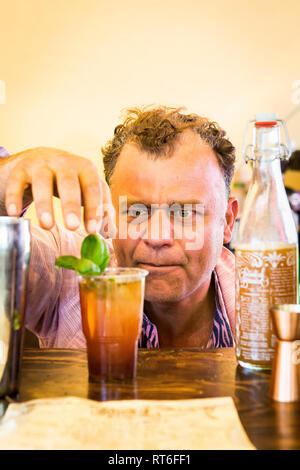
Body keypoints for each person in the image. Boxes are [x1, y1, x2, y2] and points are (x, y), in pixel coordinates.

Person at [0, 106, 238, 348]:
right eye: (136, 211)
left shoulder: (267, 300)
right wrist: (3, 182)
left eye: (185, 213)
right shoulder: (69, 274)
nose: (157, 238)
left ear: (228, 220)